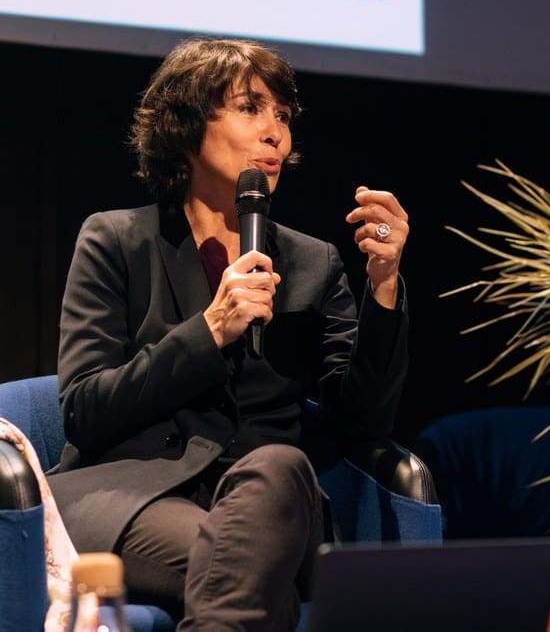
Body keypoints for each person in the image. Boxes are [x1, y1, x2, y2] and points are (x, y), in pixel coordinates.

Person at [48, 37, 411, 630]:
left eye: (283, 116)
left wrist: (386, 283)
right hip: (130, 498)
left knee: (280, 468)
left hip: (273, 501)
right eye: (250, 108)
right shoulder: (116, 240)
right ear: (187, 127)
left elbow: (362, 423)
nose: (275, 132)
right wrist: (209, 330)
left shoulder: (313, 262)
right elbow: (85, 409)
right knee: (253, 570)